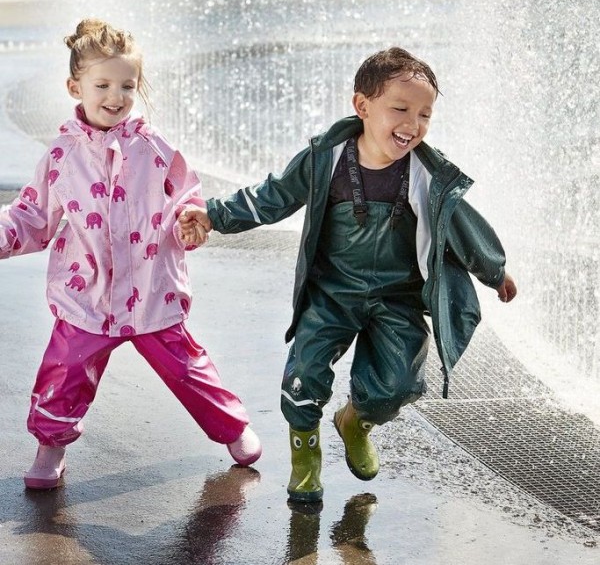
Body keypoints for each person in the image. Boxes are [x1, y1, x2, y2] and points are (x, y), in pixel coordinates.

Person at [178, 47, 517, 503]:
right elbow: (273, 196)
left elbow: (464, 227)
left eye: (424, 115)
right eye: (400, 109)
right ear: (362, 106)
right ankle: (305, 459)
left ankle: (355, 420)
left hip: (397, 298)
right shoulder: (327, 158)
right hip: (331, 293)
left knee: (398, 387)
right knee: (304, 377)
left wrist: (495, 271)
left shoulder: (427, 176)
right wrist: (214, 214)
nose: (412, 124)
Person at [0, 19, 261, 491]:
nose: (116, 96)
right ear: (75, 87)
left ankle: (232, 427)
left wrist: (189, 220)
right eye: (102, 85)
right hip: (87, 294)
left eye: (127, 85)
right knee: (64, 371)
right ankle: (51, 445)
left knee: (188, 368)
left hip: (152, 289)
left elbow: (186, 196)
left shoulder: (155, 148)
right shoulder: (62, 155)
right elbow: (33, 215)